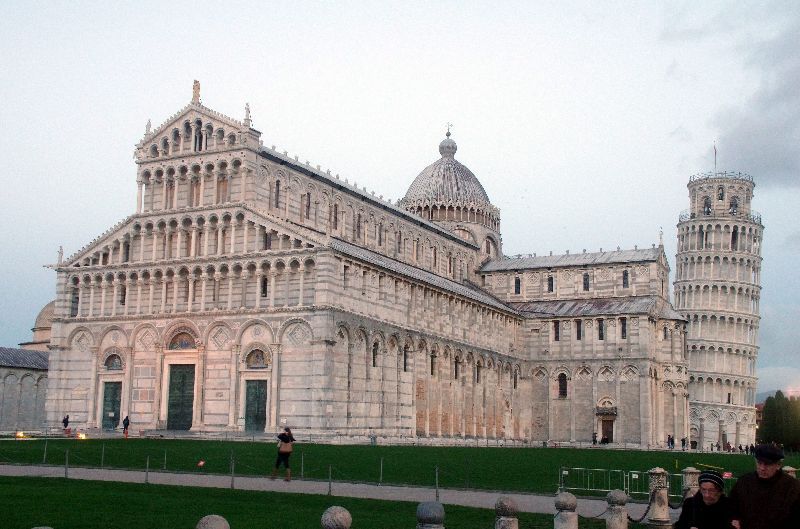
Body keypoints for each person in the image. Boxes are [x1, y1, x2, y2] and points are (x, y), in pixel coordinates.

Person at [729, 444, 800, 529]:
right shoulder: (744, 482)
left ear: (778, 465)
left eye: (767, 464)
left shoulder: (792, 487)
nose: (762, 468)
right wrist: (734, 519)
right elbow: (732, 505)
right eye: (759, 463)